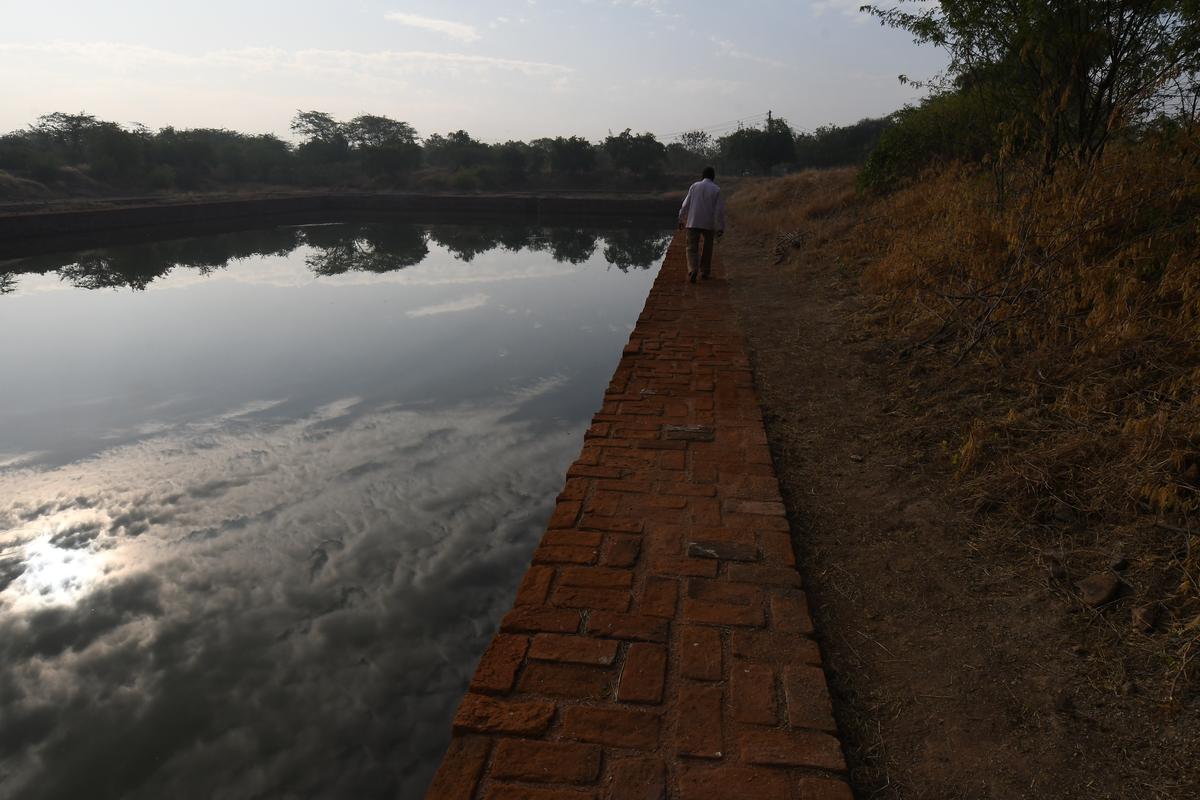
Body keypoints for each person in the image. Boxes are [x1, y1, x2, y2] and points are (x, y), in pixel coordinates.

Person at [677, 166, 726, 283]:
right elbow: (719, 210)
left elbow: (685, 205)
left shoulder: (694, 186)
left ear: (702, 176)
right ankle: (704, 271)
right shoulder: (716, 189)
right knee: (708, 247)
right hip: (708, 223)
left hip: (693, 221)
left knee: (691, 248)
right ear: (713, 177)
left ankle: (693, 269)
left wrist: (681, 219)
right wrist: (720, 227)